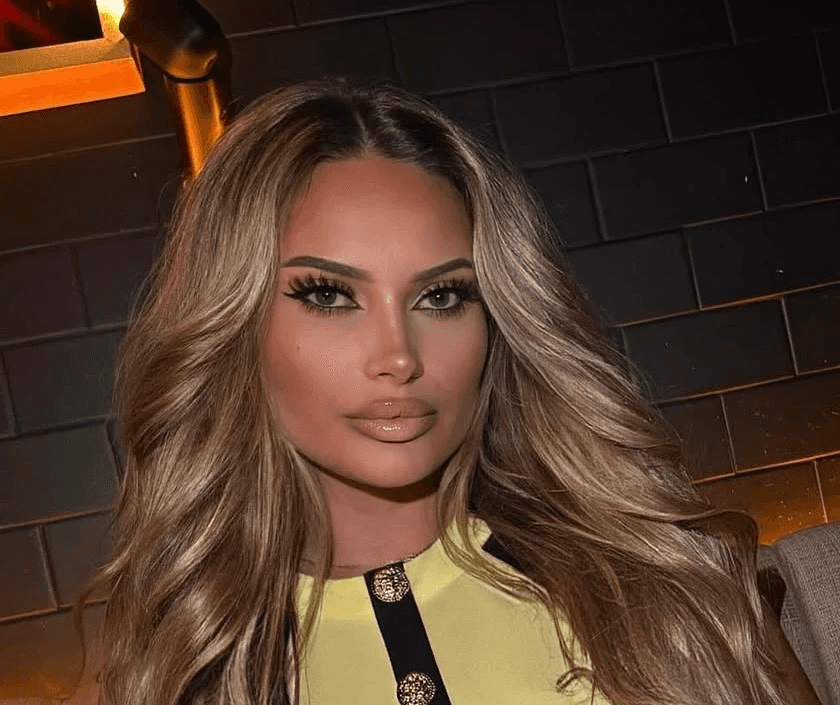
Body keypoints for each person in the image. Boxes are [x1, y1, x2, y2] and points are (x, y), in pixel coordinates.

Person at [74, 78, 820, 705]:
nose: (399, 357)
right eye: (328, 294)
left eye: (441, 296)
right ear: (234, 326)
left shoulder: (667, 588)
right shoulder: (173, 671)